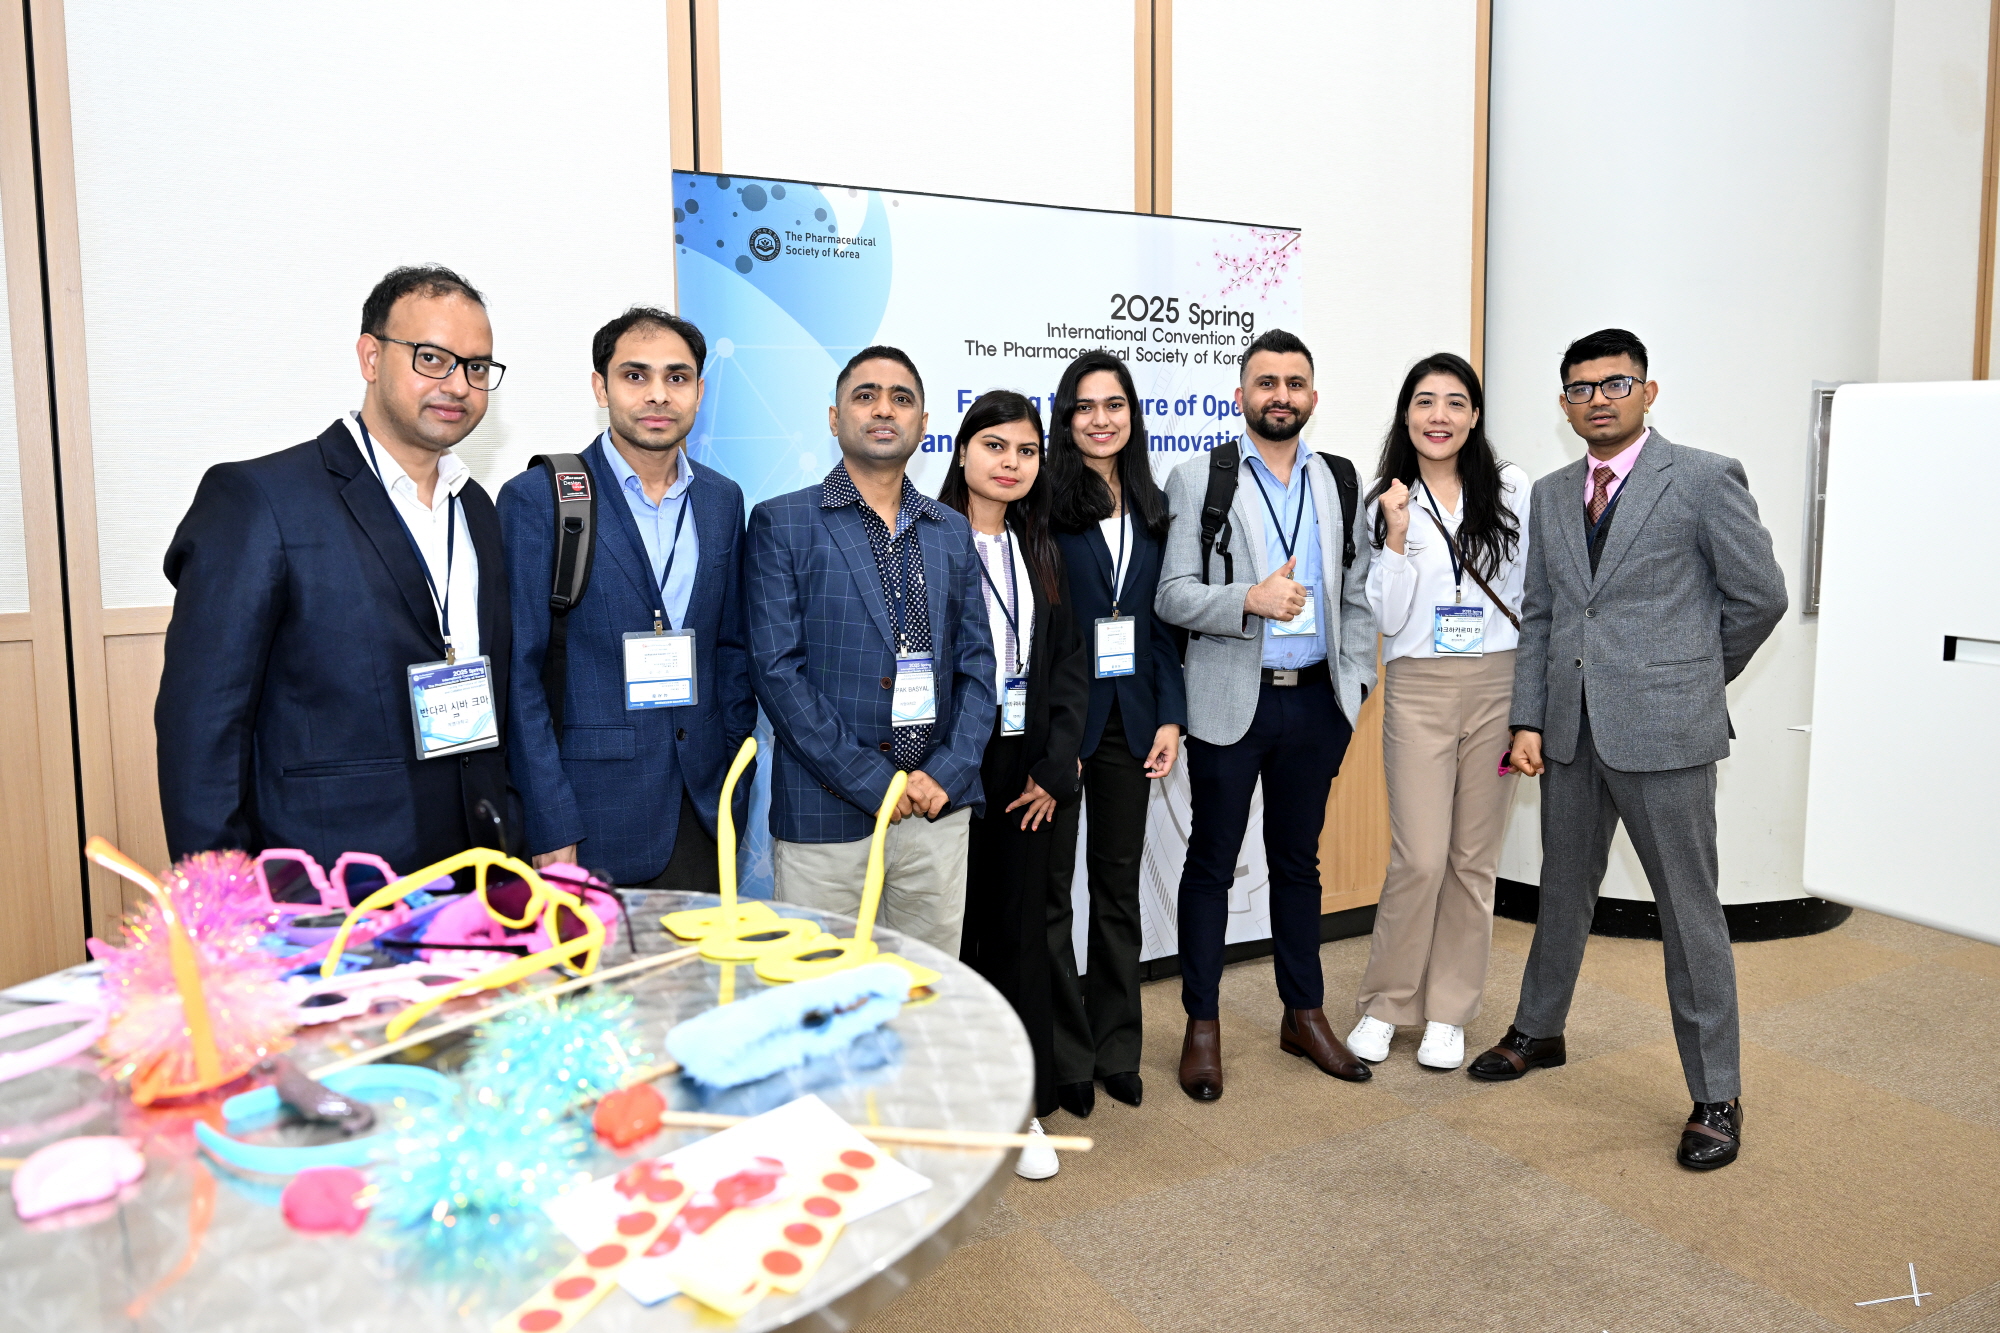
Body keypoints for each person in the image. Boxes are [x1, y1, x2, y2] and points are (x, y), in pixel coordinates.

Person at [1474, 328, 1786, 1172]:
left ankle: (1716, 1093)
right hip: (1570, 731)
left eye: (1615, 383)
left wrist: (1690, 677)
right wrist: (1528, 719)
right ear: (1564, 403)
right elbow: (1543, 614)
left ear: (1648, 391)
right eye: (1581, 388)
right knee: (1562, 890)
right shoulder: (1550, 494)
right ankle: (1539, 1029)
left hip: (1667, 734)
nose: (1598, 399)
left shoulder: (1703, 478)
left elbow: (1760, 596)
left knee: (1689, 913)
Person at [157, 265, 514, 872]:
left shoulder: (476, 507)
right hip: (325, 879)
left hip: (475, 866)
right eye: (432, 359)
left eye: (477, 367)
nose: (458, 384)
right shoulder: (260, 500)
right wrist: (222, 893)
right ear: (371, 357)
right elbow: (203, 726)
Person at [1155, 328, 1376, 1101]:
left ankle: (1303, 1013)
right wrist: (1247, 598)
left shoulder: (1338, 478)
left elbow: (1355, 592)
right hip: (1228, 703)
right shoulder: (1199, 477)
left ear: (1312, 395)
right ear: (1241, 394)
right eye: (1266, 382)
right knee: (1211, 864)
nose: (1281, 395)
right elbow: (1171, 594)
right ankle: (1202, 1024)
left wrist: (1355, 687)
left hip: (1315, 702)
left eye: (1294, 383)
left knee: (1298, 864)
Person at [745, 346, 995, 954]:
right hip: (825, 814)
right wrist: (876, 782)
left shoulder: (950, 529)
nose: (884, 409)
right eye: (866, 396)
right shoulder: (784, 521)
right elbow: (777, 673)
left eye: (901, 399)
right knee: (820, 989)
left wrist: (948, 772)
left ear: (923, 424)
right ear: (835, 418)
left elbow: (978, 665)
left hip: (936, 808)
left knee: (924, 986)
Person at [498, 307, 755, 887]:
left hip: (704, 807)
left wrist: (733, 770)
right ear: (601, 387)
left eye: (677, 377)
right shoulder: (541, 499)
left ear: (699, 392)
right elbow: (520, 675)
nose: (658, 394)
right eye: (635, 376)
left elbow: (732, 648)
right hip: (588, 815)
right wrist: (549, 820)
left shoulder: (721, 499)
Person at [1347, 353, 1530, 1071]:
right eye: (1425, 401)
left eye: (1456, 402)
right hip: (1418, 686)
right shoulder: (1385, 499)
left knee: (1472, 860)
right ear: (1406, 414)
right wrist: (1395, 534)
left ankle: (1449, 1011)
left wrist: (1533, 706)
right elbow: (1387, 617)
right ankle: (1386, 1002)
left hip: (1497, 683)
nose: (1439, 416)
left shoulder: (1512, 489)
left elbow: (1534, 596)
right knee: (1419, 859)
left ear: (1474, 415)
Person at [939, 389, 1089, 1178]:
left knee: (1021, 936)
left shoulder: (1043, 547)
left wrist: (1055, 769)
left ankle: (1018, 1099)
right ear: (962, 450)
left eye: (1026, 451)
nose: (1011, 462)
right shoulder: (929, 538)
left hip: (1028, 765)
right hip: (948, 761)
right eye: (995, 445)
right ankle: (952, 1096)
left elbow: (1069, 666)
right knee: (951, 934)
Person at [1042, 350, 1187, 1118]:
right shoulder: (1042, 501)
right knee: (1052, 895)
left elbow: (1163, 626)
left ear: (1132, 414)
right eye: (1085, 406)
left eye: (1114, 404)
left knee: (1117, 890)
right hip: (1063, 725)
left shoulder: (1156, 507)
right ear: (1066, 419)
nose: (1100, 419)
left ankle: (1117, 1047)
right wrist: (1046, 736)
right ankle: (1067, 1055)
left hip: (1132, 721)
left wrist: (1169, 715)